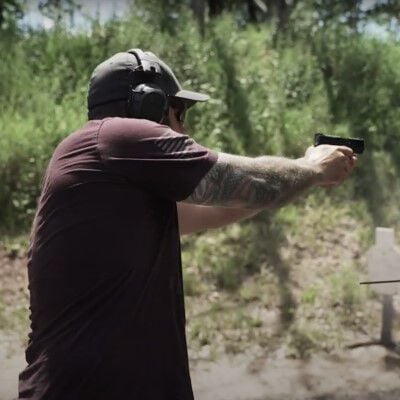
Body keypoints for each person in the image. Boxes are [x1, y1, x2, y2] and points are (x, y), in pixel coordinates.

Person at [19, 49, 357, 399]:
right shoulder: (118, 136)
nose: (185, 126)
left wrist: (293, 181)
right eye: (179, 111)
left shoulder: (112, 175)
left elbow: (224, 205)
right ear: (147, 105)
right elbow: (247, 182)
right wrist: (313, 167)